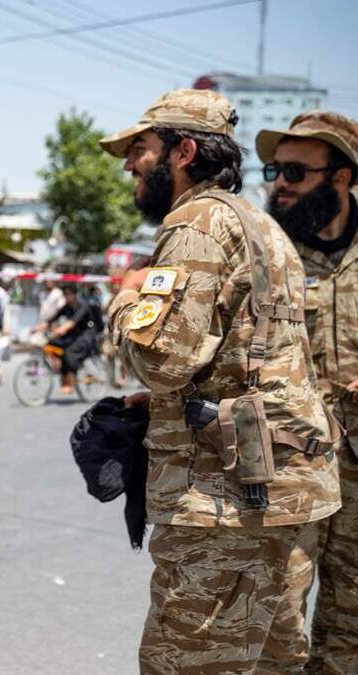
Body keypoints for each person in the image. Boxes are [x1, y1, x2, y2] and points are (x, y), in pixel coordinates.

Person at [100, 89, 340, 673]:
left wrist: (123, 301)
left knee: (187, 662)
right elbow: (243, 354)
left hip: (226, 504)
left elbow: (163, 360)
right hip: (285, 490)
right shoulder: (259, 223)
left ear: (183, 152)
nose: (130, 163)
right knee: (271, 661)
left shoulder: (198, 227)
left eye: (140, 149)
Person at [257, 110, 358, 675]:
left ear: (340, 178)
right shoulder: (267, 256)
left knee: (352, 625)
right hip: (289, 470)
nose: (280, 184)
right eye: (275, 169)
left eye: (296, 171)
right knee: (278, 619)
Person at [42, 284, 99, 394]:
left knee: (69, 352)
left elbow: (73, 322)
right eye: (65, 294)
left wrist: (61, 329)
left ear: (74, 294)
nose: (67, 297)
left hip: (86, 335)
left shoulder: (83, 306)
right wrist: (41, 326)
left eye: (69, 294)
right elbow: (53, 318)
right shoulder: (66, 307)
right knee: (54, 344)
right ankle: (64, 378)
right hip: (74, 334)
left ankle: (70, 383)